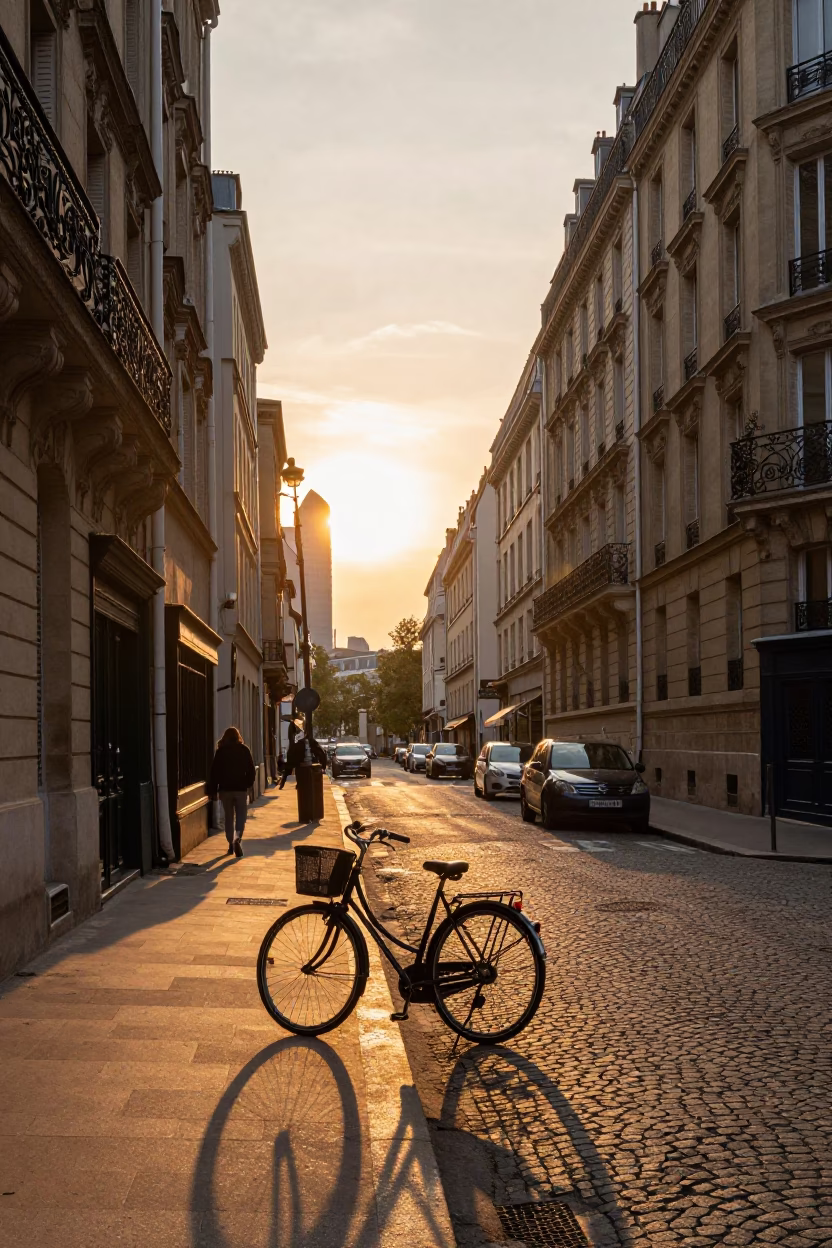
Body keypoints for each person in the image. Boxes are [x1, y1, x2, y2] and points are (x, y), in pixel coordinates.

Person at [208, 726, 257, 857]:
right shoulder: (244, 750)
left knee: (229, 817)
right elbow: (251, 770)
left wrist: (214, 789)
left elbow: (214, 772)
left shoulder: (221, 751)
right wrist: (248, 784)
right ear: (238, 737)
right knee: (241, 816)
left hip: (225, 789)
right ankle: (237, 838)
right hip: (241, 789)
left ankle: (230, 843)